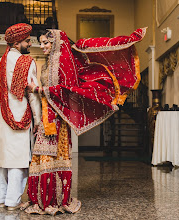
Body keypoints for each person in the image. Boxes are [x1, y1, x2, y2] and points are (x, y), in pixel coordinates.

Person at [22, 28, 147, 215]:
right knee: (41, 158)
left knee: (53, 159)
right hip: (47, 119)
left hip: (58, 121)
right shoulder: (50, 63)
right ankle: (41, 200)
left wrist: (37, 90)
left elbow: (66, 91)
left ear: (56, 42)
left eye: (45, 43)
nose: (42, 46)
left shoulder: (64, 64)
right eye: (40, 42)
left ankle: (54, 200)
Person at [0, 23, 41, 211]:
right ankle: (13, 201)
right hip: (20, 118)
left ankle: (1, 198)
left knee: (3, 160)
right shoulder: (26, 62)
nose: (30, 44)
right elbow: (32, 95)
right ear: (17, 42)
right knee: (19, 161)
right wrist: (38, 120)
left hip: (2, 120)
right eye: (27, 41)